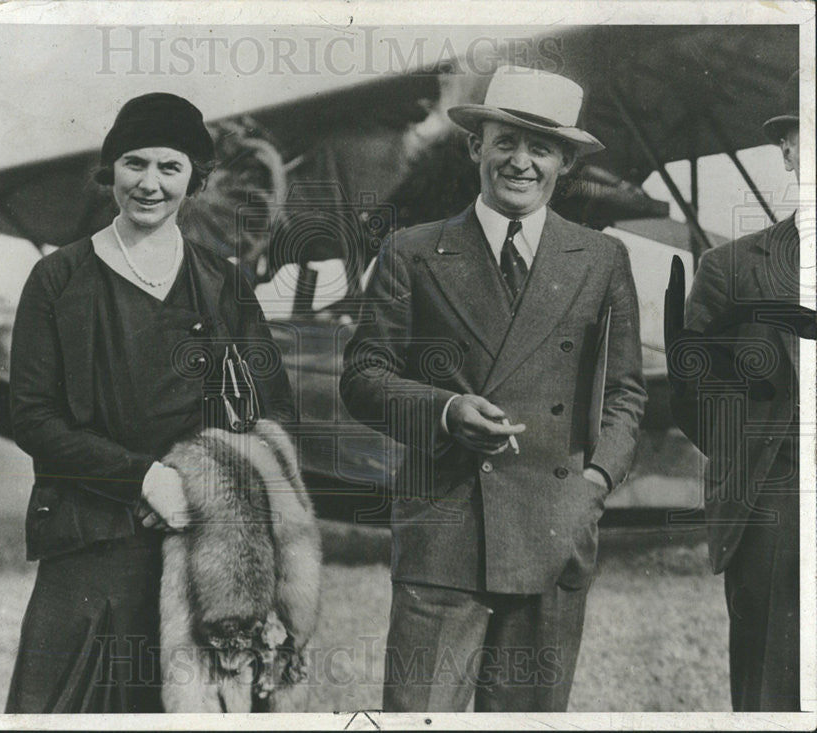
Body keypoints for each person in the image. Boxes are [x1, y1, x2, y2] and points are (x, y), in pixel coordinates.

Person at [340, 65, 646, 712]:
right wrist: (445, 410)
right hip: (443, 532)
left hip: (553, 531)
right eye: (506, 140)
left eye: (541, 148)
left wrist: (593, 485)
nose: (521, 161)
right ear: (475, 145)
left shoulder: (600, 260)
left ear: (564, 162)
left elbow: (623, 393)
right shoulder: (411, 251)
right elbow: (363, 377)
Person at [5, 92, 295, 713]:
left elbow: (273, 414)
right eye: (135, 163)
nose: (150, 183)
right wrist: (141, 479)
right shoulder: (59, 278)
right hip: (91, 542)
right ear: (110, 170)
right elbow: (32, 415)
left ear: (194, 179)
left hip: (201, 554)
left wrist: (200, 486)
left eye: (171, 167)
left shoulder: (224, 281)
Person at [669, 70, 801, 711]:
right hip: (776, 504)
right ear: (790, 152)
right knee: (774, 689)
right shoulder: (730, 268)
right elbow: (696, 401)